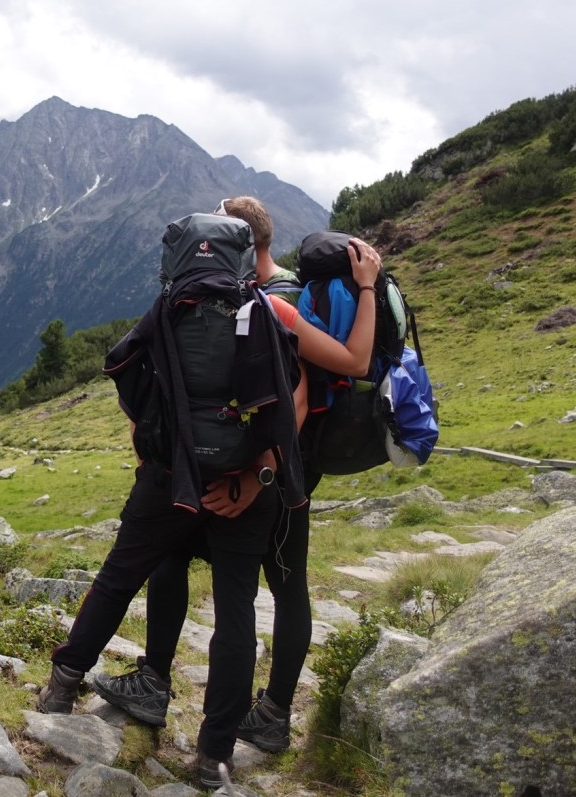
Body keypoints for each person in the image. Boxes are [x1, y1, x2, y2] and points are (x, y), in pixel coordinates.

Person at [90, 207, 381, 758]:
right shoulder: (251, 297)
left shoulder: (275, 304)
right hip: (265, 474)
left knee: (261, 585)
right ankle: (237, 707)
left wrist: (258, 475)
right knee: (219, 572)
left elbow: (350, 365)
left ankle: (248, 710)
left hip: (277, 477)